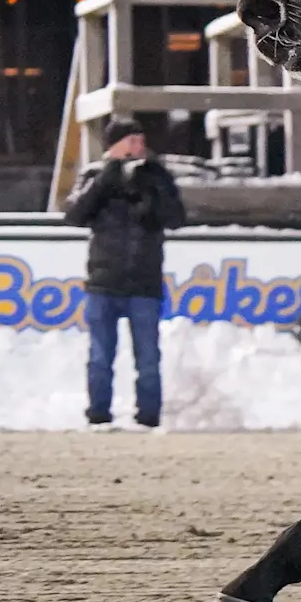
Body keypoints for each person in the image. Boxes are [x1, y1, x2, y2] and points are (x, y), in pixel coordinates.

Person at [64, 117, 187, 427]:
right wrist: (108, 177)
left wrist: (154, 190)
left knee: (148, 359)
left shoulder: (157, 175)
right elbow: (75, 214)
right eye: (130, 141)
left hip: (144, 282)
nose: (138, 146)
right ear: (114, 145)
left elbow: (176, 218)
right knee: (100, 357)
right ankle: (98, 415)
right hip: (103, 282)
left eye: (140, 140)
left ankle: (148, 417)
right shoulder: (93, 174)